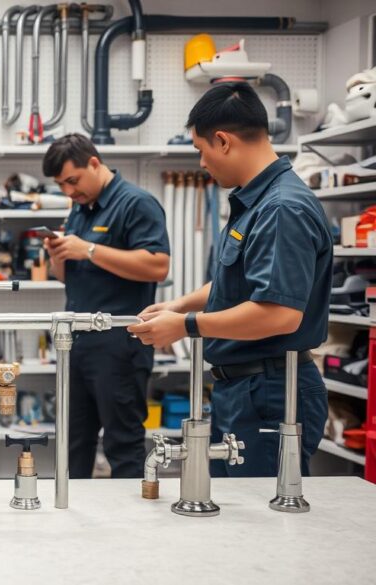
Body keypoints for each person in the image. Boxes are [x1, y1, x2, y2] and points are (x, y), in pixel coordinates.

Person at [128, 83, 332, 477]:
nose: (202, 163)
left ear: (222, 141)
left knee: (260, 524)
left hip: (270, 391)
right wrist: (179, 304)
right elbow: (240, 285)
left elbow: (278, 314)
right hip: (246, 389)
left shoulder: (281, 209)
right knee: (236, 520)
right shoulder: (257, 201)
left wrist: (186, 326)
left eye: (200, 151)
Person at [42, 134, 171, 478]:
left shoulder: (136, 204)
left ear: (95, 164)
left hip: (119, 343)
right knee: (72, 444)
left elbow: (158, 265)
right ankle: (73, 524)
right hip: (78, 343)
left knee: (123, 445)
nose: (69, 191)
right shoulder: (80, 209)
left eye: (73, 180)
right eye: (61, 185)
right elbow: (70, 279)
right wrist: (59, 258)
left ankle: (128, 529)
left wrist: (89, 250)